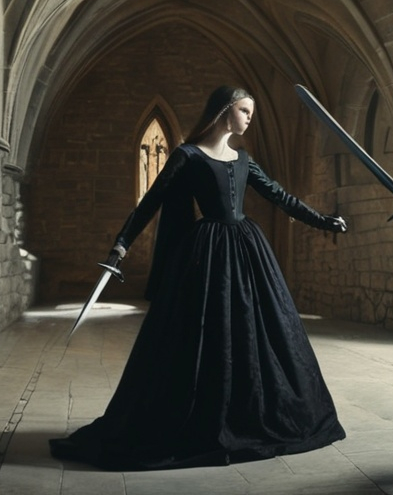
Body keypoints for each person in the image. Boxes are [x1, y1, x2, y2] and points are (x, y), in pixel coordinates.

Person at [50, 85, 348, 471]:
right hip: (206, 256)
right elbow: (150, 202)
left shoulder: (243, 160)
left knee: (258, 335)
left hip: (247, 252)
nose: (248, 118)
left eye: (250, 112)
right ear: (225, 111)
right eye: (244, 111)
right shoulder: (186, 156)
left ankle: (246, 413)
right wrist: (121, 245)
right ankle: (202, 415)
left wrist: (323, 221)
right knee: (204, 337)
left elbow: (280, 196)